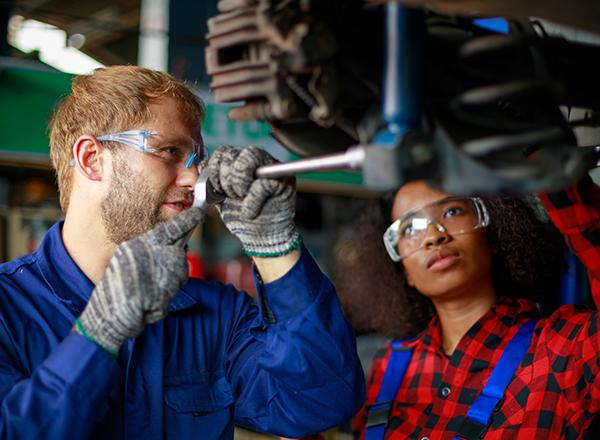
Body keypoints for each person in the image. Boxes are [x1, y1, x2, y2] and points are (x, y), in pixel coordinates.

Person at [0, 65, 365, 438]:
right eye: (169, 150)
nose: (193, 180)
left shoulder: (217, 314)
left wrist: (274, 246)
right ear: (92, 158)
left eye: (195, 160)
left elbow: (318, 402)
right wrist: (97, 336)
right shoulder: (7, 309)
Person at [345, 175, 599, 439]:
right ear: (404, 271)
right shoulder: (389, 367)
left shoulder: (564, 346)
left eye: (452, 211)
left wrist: (555, 174)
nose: (433, 236)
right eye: (410, 228)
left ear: (494, 235)